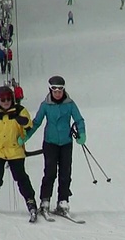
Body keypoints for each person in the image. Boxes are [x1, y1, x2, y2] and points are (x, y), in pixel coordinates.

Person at [21, 76, 86, 217]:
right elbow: (36, 122)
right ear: (50, 90)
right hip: (50, 143)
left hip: (66, 143)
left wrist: (82, 133)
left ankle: (63, 201)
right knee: (50, 172)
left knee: (65, 173)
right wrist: (26, 136)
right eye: (55, 90)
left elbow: (79, 119)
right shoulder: (46, 105)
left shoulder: (70, 104)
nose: (58, 93)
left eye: (60, 90)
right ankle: (45, 201)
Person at [0, 86, 37, 223]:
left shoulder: (20, 111)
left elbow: (28, 127)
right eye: (3, 99)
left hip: (15, 149)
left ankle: (30, 199)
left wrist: (25, 124)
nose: (6, 102)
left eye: (9, 99)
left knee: (20, 175)